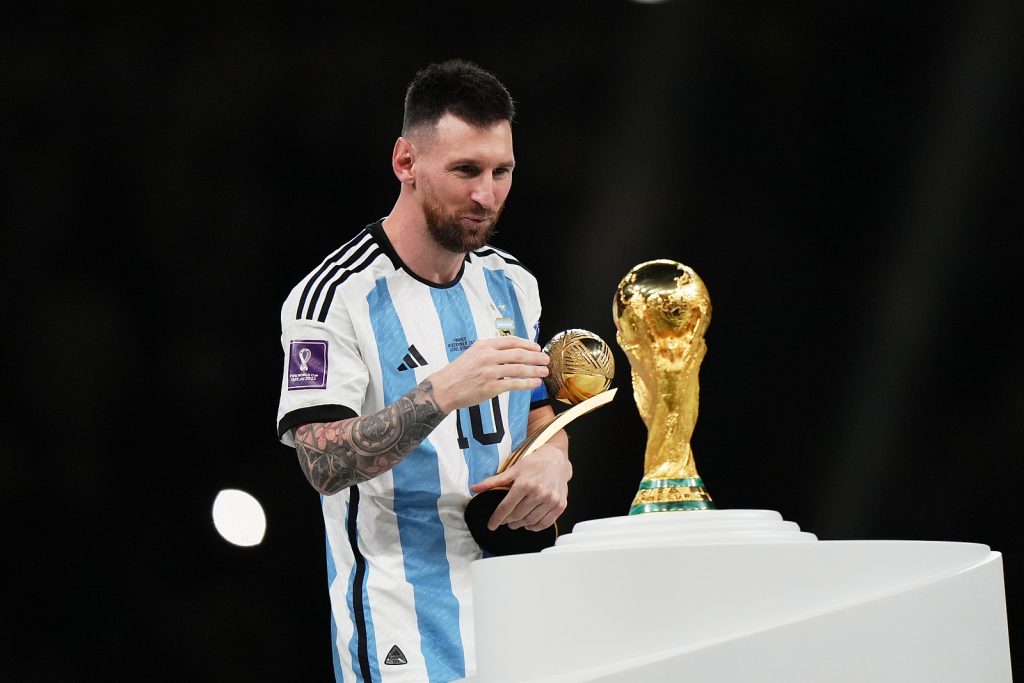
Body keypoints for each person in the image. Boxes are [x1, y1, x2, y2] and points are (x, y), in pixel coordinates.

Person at [275, 59, 571, 683]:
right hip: (401, 619)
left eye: (501, 171)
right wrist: (441, 392)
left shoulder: (513, 284)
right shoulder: (331, 299)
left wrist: (553, 459)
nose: (485, 195)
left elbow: (537, 409)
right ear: (405, 162)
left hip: (515, 601)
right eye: (465, 170)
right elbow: (321, 463)